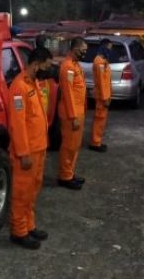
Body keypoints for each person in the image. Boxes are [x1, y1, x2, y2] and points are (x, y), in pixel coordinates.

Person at [8, 47, 53, 250]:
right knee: (21, 193)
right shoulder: (19, 88)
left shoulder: (33, 82)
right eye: (47, 66)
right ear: (36, 64)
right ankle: (19, 232)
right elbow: (17, 125)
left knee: (33, 191)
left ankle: (29, 225)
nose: (48, 70)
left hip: (39, 147)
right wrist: (23, 153)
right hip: (26, 153)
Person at [57, 37, 88, 190]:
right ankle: (64, 176)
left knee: (75, 146)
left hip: (78, 112)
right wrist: (73, 116)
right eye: (83, 50)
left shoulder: (76, 65)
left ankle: (70, 173)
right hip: (71, 114)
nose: (85, 53)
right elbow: (68, 94)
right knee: (69, 146)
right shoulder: (68, 67)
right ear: (75, 49)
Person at [88, 38, 113, 153]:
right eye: (109, 47)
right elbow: (102, 82)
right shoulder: (99, 62)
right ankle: (95, 143)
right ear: (104, 46)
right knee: (99, 119)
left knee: (101, 121)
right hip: (102, 97)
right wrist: (105, 98)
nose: (110, 49)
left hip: (105, 96)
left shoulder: (103, 61)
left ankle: (97, 141)